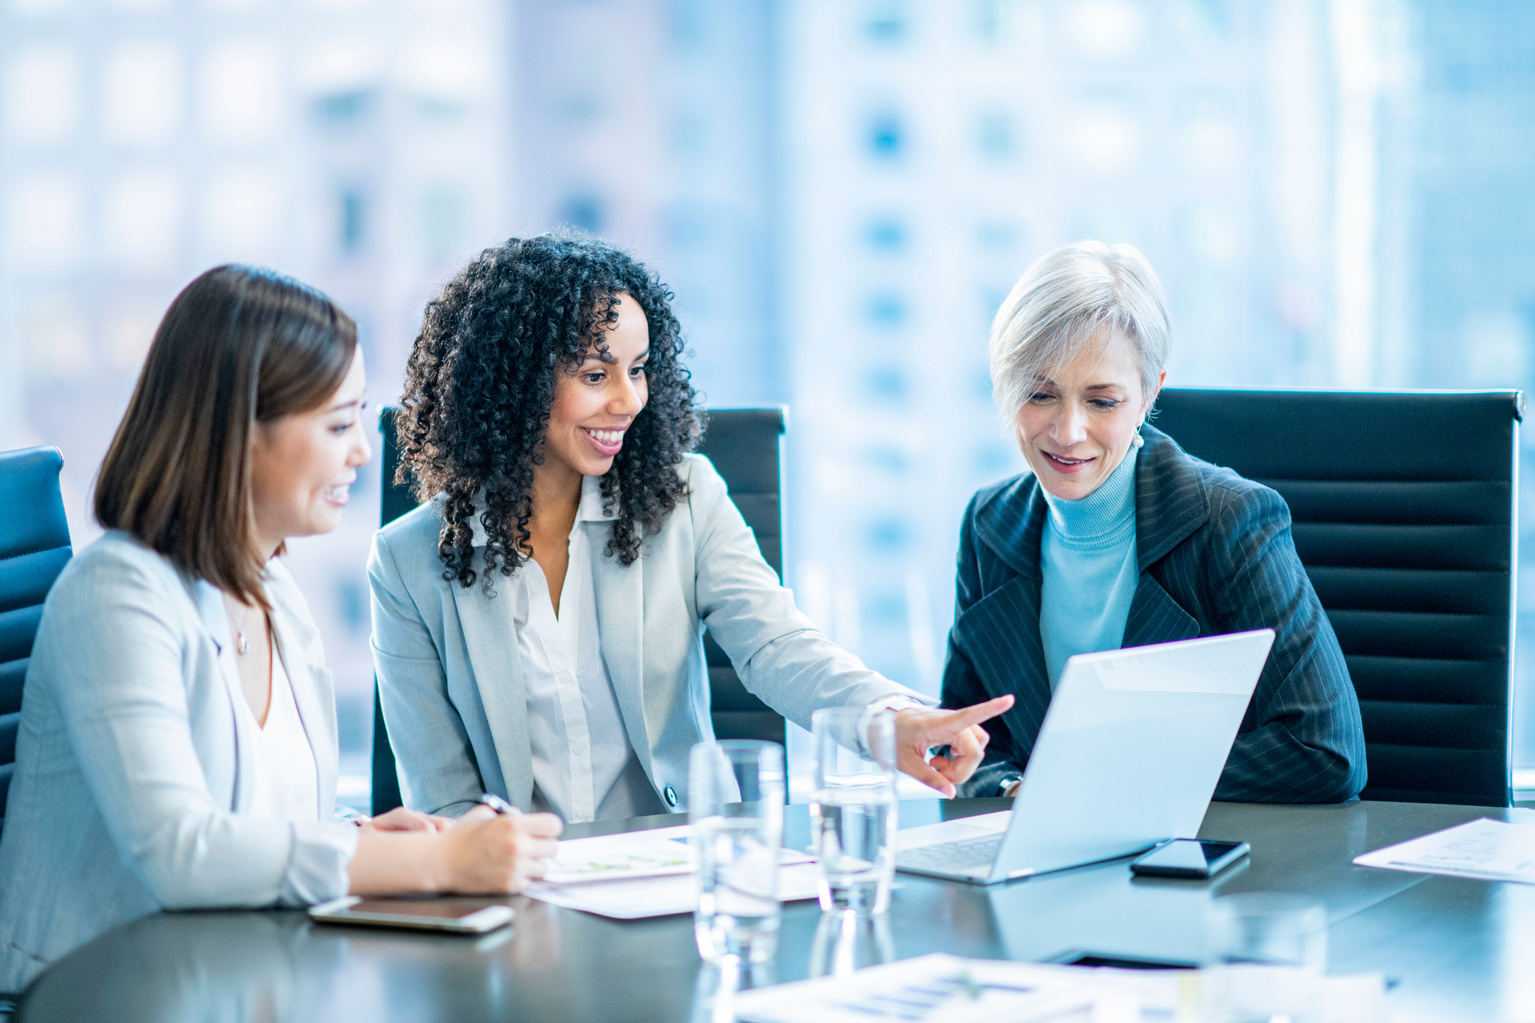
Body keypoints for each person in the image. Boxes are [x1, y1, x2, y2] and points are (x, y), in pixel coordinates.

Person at [0, 266, 562, 989]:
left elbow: (260, 814)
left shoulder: (271, 587)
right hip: (99, 992)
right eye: (337, 424)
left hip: (234, 978)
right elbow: (182, 850)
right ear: (238, 433)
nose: (362, 451)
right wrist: (436, 862)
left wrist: (351, 836)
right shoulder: (118, 593)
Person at [369, 233, 1012, 823]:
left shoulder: (684, 498)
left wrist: (886, 720)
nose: (628, 400)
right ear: (513, 384)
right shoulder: (407, 563)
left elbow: (777, 646)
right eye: (596, 375)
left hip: (680, 862)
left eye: (639, 369)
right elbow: (444, 800)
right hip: (523, 892)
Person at [941, 241, 1367, 803]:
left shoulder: (1228, 522)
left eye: (1103, 402)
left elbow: (1325, 751)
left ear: (1148, 395)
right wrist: (1016, 786)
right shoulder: (989, 526)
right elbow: (970, 741)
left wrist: (1102, 785)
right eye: (1040, 395)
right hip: (1043, 866)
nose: (1068, 432)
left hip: (1207, 867)